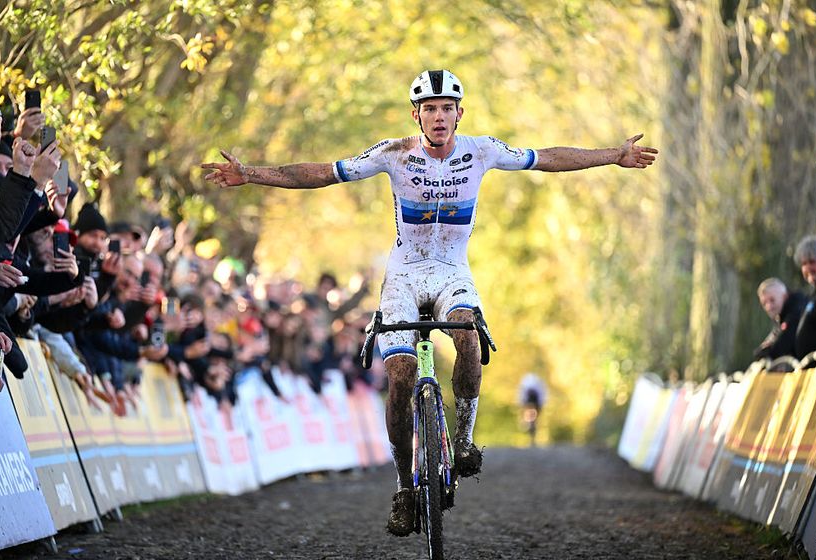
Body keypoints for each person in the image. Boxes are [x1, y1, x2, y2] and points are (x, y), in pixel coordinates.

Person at [202, 69, 658, 536]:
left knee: (468, 336)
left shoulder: (483, 151)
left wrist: (614, 155)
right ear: (416, 115)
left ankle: (462, 441)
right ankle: (403, 487)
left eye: (447, 108)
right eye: (429, 109)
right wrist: (252, 174)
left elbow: (549, 158)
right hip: (403, 277)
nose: (439, 117)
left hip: (451, 274)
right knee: (399, 377)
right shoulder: (394, 153)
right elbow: (324, 173)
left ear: (460, 113)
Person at [753, 277, 807, 362]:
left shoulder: (796, 310)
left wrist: (765, 353)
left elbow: (782, 345)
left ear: (784, 296)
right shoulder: (783, 315)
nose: (768, 307)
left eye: (772, 300)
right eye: (764, 303)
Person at [793, 235, 816, 361]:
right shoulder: (812, 295)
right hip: (810, 375)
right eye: (804, 263)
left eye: (812, 261)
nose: (807, 268)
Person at [517, 372, 547, 447]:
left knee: (533, 419)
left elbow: (541, 399)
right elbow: (521, 400)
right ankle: (530, 429)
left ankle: (532, 434)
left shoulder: (537, 388)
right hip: (529, 399)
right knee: (530, 419)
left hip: (535, 399)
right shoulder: (526, 387)